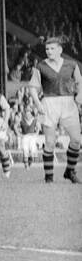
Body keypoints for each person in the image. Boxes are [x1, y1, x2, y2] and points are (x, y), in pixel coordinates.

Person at [26, 36, 82, 183]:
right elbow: (32, 88)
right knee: (50, 142)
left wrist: (80, 97)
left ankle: (70, 171)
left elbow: (80, 81)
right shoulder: (41, 66)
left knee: (76, 140)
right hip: (49, 104)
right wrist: (38, 104)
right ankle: (49, 177)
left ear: (60, 50)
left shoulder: (72, 65)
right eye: (47, 49)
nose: (49, 51)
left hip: (69, 103)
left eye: (52, 49)